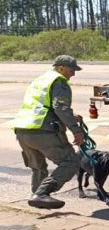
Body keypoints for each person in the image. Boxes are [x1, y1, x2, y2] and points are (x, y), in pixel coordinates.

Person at [12, 55, 86, 210]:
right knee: (71, 162)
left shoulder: (40, 80)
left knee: (38, 167)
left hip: (22, 130)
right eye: (72, 70)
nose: (73, 74)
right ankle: (42, 193)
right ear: (61, 68)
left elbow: (44, 106)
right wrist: (76, 131)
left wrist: (72, 117)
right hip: (42, 131)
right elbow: (60, 107)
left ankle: (37, 199)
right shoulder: (59, 81)